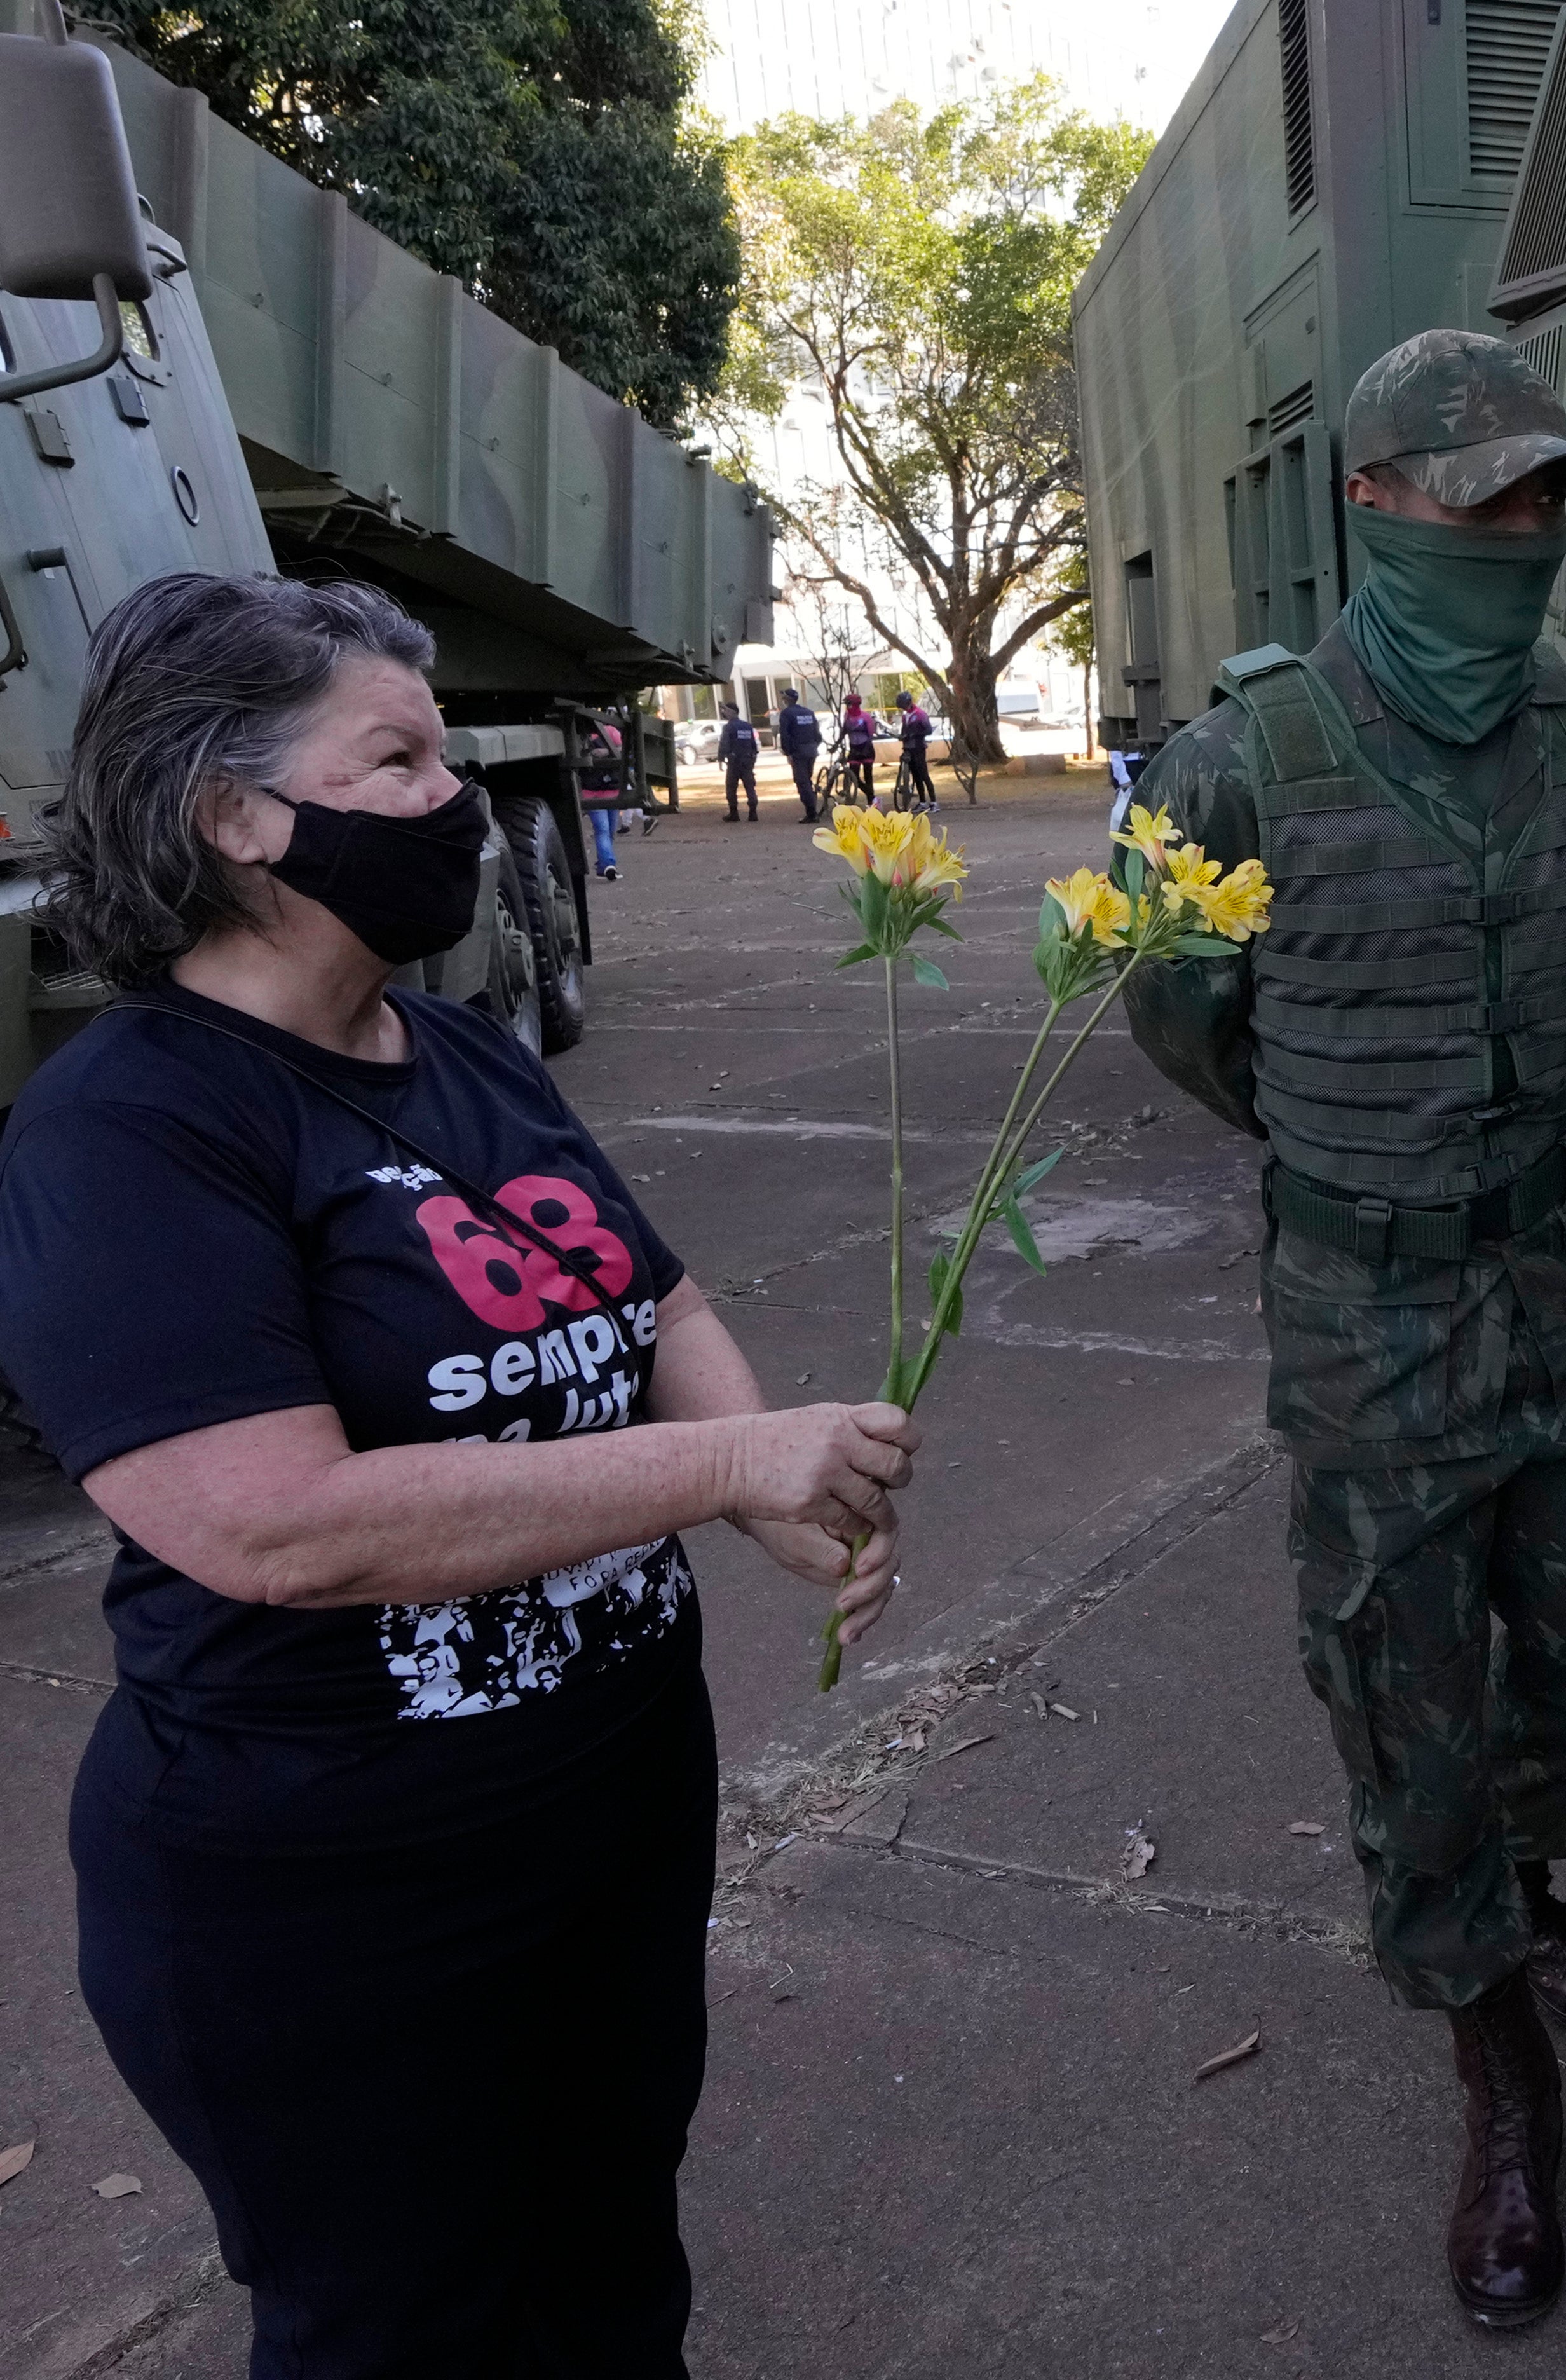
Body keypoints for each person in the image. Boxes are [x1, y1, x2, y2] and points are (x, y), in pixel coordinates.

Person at [0, 573, 918, 2374]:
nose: (455, 796)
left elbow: (654, 1289)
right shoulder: (130, 1128)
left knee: (608, 2275)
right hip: (337, 1896)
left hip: (604, 1818)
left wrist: (757, 1488)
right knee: (409, 2325)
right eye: (398, 757)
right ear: (238, 816)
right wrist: (723, 1456)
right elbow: (272, 1526)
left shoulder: (470, 1052)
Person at [1119, 329, 1566, 2330]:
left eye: (1545, 497)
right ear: (1372, 506)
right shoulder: (1239, 764)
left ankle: (1510, 1895)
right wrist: (1348, 1155)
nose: (1520, 531)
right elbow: (1183, 1016)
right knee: (1407, 1696)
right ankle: (1494, 2055)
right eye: (1478, 497)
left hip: (1558, 1276)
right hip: (1371, 1309)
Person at [584, 718, 625, 880]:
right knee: (602, 829)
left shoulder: (611, 731)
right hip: (592, 793)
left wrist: (607, 752)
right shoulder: (582, 737)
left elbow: (623, 749)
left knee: (610, 831)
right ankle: (609, 864)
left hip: (611, 791)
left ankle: (603, 866)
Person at [777, 690, 823, 824]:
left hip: (798, 752)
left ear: (787, 699)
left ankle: (812, 813)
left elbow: (785, 735)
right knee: (807, 781)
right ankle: (812, 810)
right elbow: (817, 734)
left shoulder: (786, 714)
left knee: (802, 782)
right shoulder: (808, 712)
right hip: (811, 751)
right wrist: (814, 745)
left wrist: (788, 753)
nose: (782, 699)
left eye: (783, 697)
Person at [893, 692, 936, 810]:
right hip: (908, 748)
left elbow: (928, 730)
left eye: (905, 706)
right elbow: (904, 731)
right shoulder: (905, 716)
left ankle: (934, 802)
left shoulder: (920, 714)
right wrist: (902, 736)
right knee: (916, 777)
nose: (904, 709)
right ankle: (922, 802)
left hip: (919, 748)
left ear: (910, 703)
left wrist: (913, 735)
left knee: (924, 775)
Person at [716, 706, 759, 821]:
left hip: (734, 762)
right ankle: (753, 813)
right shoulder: (747, 726)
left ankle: (734, 813)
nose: (724, 713)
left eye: (726, 711)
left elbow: (724, 744)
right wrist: (753, 759)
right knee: (750, 787)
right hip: (748, 761)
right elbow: (753, 745)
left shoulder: (729, 727)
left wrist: (721, 759)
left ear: (733, 712)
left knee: (731, 787)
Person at [840, 695, 879, 805]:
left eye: (850, 704)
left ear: (856, 705)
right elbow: (844, 731)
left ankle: (871, 803)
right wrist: (838, 743)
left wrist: (866, 750)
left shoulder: (865, 717)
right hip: (854, 749)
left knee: (868, 778)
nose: (848, 707)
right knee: (854, 777)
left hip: (866, 749)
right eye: (847, 705)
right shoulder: (847, 716)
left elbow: (870, 735)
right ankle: (871, 796)